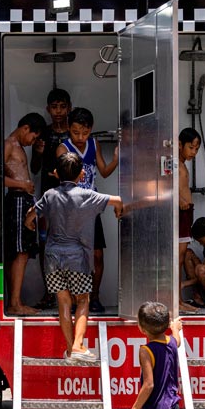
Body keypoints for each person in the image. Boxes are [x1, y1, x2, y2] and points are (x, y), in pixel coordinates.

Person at [26, 152, 123, 361]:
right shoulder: (88, 195)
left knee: (63, 302)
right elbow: (117, 201)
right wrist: (118, 212)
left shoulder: (50, 195)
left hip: (52, 258)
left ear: (55, 173)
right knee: (82, 300)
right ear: (82, 174)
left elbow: (31, 214)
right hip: (77, 258)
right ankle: (79, 346)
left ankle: (71, 350)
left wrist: (30, 223)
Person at [56, 107, 119, 313]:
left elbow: (104, 171)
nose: (81, 137)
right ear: (68, 129)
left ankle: (95, 296)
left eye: (85, 132)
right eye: (76, 132)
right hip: (72, 213)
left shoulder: (93, 144)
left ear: (91, 130)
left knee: (97, 256)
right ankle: (76, 299)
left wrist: (117, 159)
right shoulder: (62, 149)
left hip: (92, 211)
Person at [30, 88, 72, 310]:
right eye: (54, 107)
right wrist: (37, 152)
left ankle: (75, 293)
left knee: (73, 243)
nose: (58, 111)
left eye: (62, 106)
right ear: (48, 109)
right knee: (47, 244)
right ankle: (50, 291)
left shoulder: (76, 132)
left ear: (69, 108)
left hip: (73, 198)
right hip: (48, 198)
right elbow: (34, 169)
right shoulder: (43, 134)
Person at [4, 112, 47, 316]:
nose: (33, 141)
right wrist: (21, 184)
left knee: (22, 252)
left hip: (24, 200)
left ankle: (15, 301)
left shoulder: (19, 146)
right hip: (17, 199)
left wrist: (38, 153)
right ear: (25, 128)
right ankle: (15, 303)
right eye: (34, 137)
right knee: (20, 253)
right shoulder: (10, 144)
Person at [177, 128, 202, 314]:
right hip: (180, 212)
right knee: (177, 259)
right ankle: (176, 301)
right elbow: (166, 185)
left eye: (196, 148)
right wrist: (180, 201)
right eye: (191, 147)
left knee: (180, 258)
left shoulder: (183, 164)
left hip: (186, 212)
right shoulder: (174, 164)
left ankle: (178, 300)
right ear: (180, 145)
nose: (193, 152)